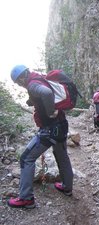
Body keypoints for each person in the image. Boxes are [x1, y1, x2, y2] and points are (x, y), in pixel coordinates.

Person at [7, 65, 74, 209]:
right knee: (62, 157)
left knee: (26, 158)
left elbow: (47, 93)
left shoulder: (32, 84)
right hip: (61, 126)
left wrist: (50, 112)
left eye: (18, 82)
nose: (20, 85)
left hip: (50, 130)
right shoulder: (39, 78)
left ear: (22, 77)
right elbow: (45, 93)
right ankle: (67, 187)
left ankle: (26, 198)